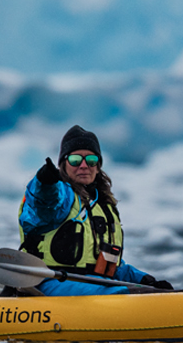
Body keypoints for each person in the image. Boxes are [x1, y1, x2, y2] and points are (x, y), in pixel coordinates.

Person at [17, 125, 173, 295]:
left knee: (150, 291)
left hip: (95, 283)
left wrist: (143, 279)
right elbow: (42, 201)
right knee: (119, 294)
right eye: (76, 160)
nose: (84, 165)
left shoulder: (104, 208)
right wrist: (44, 182)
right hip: (49, 282)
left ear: (98, 166)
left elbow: (109, 265)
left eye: (90, 160)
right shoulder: (59, 197)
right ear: (63, 164)